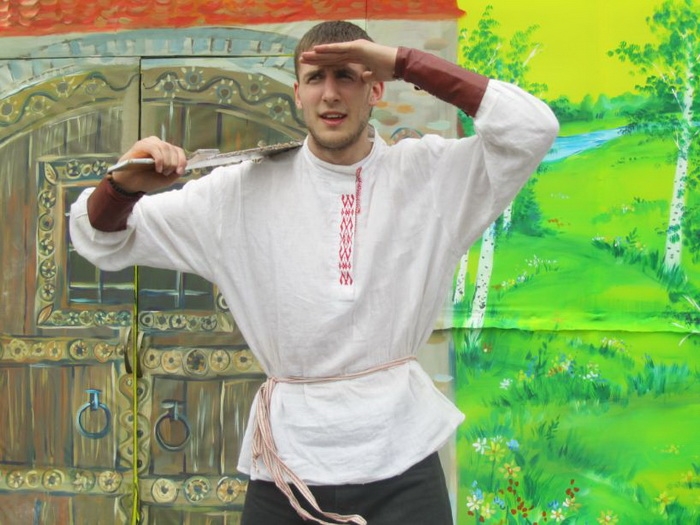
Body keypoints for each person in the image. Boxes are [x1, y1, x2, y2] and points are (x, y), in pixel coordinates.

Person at [70, 20, 558, 525]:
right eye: (315, 79)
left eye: (346, 75)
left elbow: (532, 129)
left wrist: (405, 62)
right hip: (288, 464)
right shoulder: (238, 192)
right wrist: (124, 186)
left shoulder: (430, 177)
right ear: (297, 94)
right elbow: (100, 235)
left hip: (402, 454)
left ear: (376, 89)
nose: (330, 94)